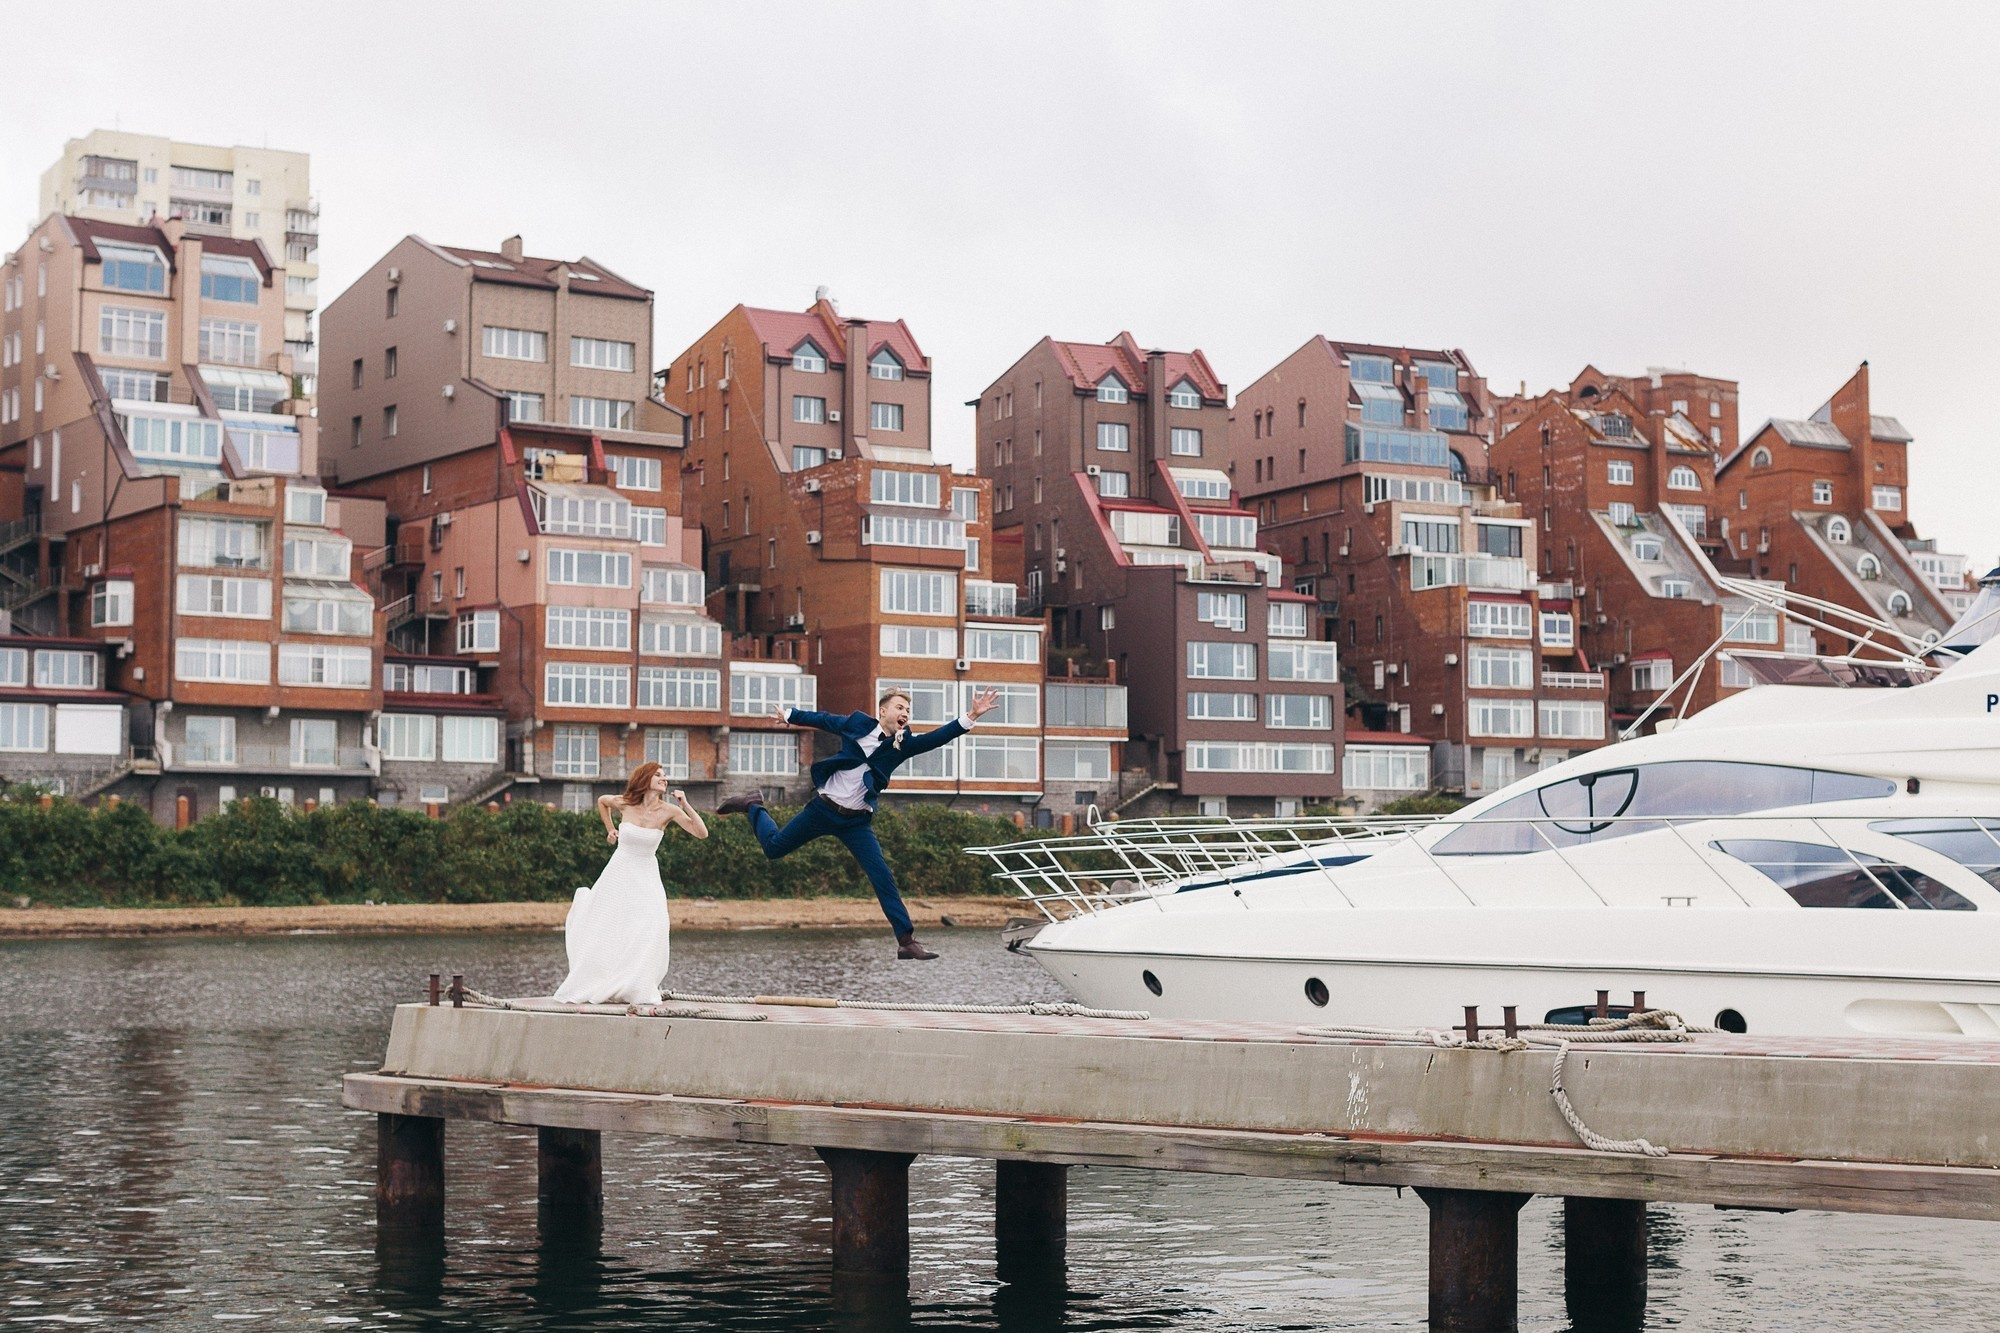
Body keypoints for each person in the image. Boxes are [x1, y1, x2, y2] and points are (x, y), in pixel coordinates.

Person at [715, 687, 1001, 959]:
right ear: (882, 711)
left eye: (909, 710)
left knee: (882, 877)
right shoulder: (856, 725)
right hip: (823, 810)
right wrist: (790, 716)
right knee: (774, 848)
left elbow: (939, 737)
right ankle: (754, 805)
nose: (906, 713)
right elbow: (824, 719)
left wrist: (972, 715)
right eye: (900, 707)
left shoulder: (904, 745)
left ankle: (906, 942)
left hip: (857, 822)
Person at [553, 760, 707, 1004]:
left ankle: (637, 984)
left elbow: (701, 833)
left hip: (646, 876)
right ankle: (604, 978)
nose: (664, 779)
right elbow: (602, 801)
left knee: (652, 926)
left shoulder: (669, 811)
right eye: (658, 775)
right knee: (609, 927)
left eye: (665, 776)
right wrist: (610, 829)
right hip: (619, 872)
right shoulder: (625, 803)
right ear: (645, 779)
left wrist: (685, 804)